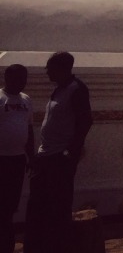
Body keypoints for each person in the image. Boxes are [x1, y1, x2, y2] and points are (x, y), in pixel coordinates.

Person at [24, 53, 91, 253]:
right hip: (45, 156)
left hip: (60, 158)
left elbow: (85, 122)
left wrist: (71, 152)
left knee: (57, 206)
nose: (46, 72)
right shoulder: (58, 90)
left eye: (49, 68)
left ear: (62, 68)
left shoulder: (77, 90)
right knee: (38, 205)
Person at [0, 65, 34, 253]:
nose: (22, 82)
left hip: (17, 160)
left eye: (24, 78)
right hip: (0, 159)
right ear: (6, 77)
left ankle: (6, 243)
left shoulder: (26, 100)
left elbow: (28, 129)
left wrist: (31, 156)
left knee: (10, 205)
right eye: (18, 78)